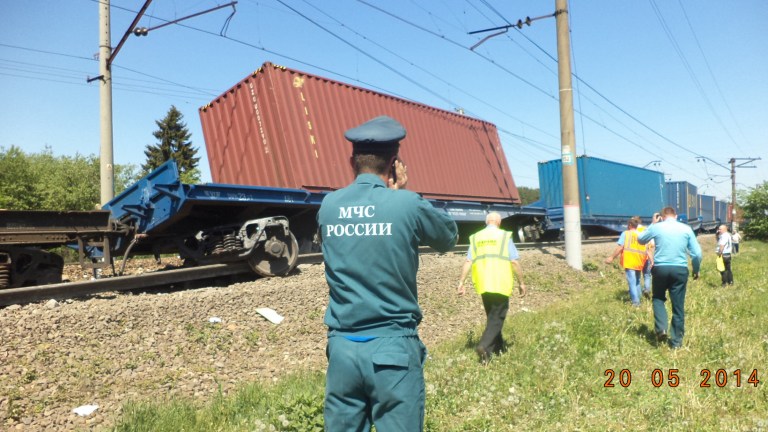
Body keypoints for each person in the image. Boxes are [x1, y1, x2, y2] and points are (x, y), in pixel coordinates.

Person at [317, 115, 458, 432]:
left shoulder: (328, 206)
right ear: (394, 163)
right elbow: (448, 239)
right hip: (392, 349)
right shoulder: (407, 204)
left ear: (351, 161)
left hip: (342, 349)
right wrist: (403, 191)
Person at [457, 212, 526, 364]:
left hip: (483, 282)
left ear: (486, 222)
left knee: (492, 316)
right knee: (498, 316)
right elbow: (514, 262)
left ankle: (496, 348)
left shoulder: (476, 237)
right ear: (499, 222)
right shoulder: (504, 236)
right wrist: (521, 282)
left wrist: (461, 282)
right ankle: (484, 345)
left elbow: (468, 261)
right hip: (500, 281)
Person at [638, 207, 702, 349]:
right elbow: (697, 254)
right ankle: (676, 342)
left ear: (661, 216)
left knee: (658, 298)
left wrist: (653, 224)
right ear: (676, 216)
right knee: (678, 306)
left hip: (660, 269)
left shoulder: (657, 227)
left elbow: (641, 239)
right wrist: (696, 269)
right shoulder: (686, 229)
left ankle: (661, 328)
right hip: (680, 270)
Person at [605, 218, 648, 307]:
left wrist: (612, 257)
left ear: (629, 225)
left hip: (630, 260)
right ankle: (639, 298)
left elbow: (620, 247)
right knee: (637, 281)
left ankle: (636, 303)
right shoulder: (641, 234)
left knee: (632, 282)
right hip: (639, 261)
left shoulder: (626, 234)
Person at [635, 214, 658, 299]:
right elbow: (652, 244)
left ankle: (637, 295)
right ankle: (647, 289)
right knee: (647, 275)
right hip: (647, 256)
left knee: (636, 276)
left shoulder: (633, 231)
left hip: (637, 257)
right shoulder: (646, 229)